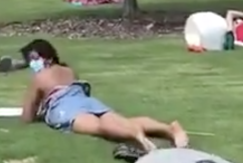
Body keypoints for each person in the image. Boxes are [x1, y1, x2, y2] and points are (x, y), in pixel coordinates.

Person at [18, 39, 188, 152]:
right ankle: (169, 129)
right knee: (116, 120)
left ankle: (139, 138)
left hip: (66, 108)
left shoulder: (39, 78)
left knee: (100, 128)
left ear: (45, 57)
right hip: (85, 100)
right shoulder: (68, 70)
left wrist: (38, 111)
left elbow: (27, 116)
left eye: (33, 59)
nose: (32, 64)